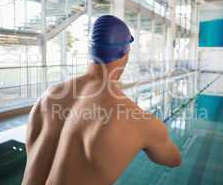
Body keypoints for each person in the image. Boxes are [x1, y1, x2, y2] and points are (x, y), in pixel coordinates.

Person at [22, 15, 181, 185]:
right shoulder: (135, 119)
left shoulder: (47, 97)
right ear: (125, 53)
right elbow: (173, 159)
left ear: (90, 49)